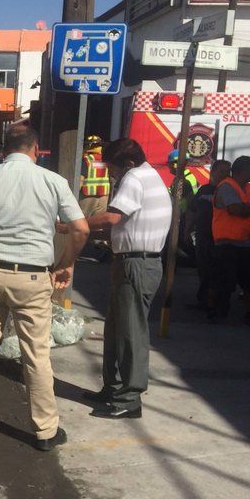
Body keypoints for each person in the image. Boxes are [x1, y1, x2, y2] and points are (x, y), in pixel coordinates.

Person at [0, 125, 89, 451]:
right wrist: (66, 262)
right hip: (33, 279)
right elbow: (80, 229)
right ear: (35, 149)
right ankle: (45, 431)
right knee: (36, 356)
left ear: (4, 148)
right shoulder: (52, 182)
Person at [85, 138, 171, 418]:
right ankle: (114, 388)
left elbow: (111, 218)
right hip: (134, 260)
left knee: (130, 332)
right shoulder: (150, 175)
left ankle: (129, 398)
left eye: (113, 168)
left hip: (137, 263)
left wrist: (73, 224)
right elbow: (123, 225)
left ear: (128, 164)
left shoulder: (134, 177)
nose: (111, 174)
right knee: (116, 329)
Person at [210, 156, 250, 326]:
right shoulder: (227, 187)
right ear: (242, 170)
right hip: (227, 243)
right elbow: (236, 210)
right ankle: (217, 311)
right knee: (224, 281)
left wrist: (249, 209)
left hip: (249, 243)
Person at [190, 159, 231, 309]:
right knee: (203, 268)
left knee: (218, 271)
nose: (226, 175)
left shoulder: (229, 191)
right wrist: (187, 230)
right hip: (203, 236)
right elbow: (192, 210)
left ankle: (217, 304)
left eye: (228, 172)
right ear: (213, 172)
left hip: (221, 238)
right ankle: (203, 301)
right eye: (222, 171)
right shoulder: (204, 190)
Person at [79, 134, 111, 218]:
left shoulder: (86, 160)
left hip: (87, 197)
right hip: (104, 197)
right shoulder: (106, 160)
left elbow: (80, 179)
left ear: (88, 146)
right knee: (97, 225)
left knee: (83, 222)